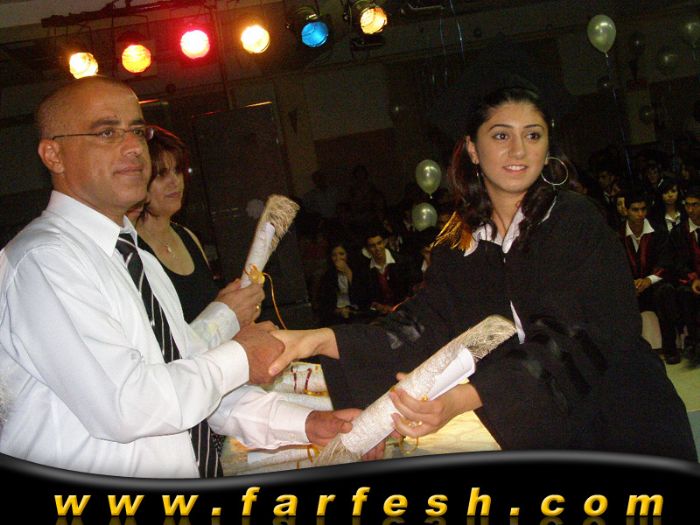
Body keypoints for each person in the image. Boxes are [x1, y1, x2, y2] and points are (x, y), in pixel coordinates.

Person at [266, 83, 697, 460]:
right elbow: (423, 325)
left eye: (533, 135)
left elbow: (577, 333)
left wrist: (467, 397)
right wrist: (321, 339)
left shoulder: (573, 221)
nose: (519, 150)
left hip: (624, 419)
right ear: (472, 148)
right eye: (501, 135)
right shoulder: (463, 245)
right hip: (541, 432)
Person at [0, 76, 365, 478]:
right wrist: (240, 356)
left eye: (137, 131)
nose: (133, 147)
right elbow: (129, 405)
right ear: (53, 155)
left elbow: (187, 378)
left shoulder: (136, 256)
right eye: (107, 132)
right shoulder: (45, 260)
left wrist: (304, 423)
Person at [128, 126, 262, 343]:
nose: (175, 181)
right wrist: (225, 312)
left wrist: (237, 313)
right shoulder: (130, 249)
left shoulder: (186, 236)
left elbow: (212, 320)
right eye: (161, 175)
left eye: (178, 171)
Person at [620, 190, 681, 364]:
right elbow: (612, 264)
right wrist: (628, 284)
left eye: (643, 209)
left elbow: (666, 261)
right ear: (626, 210)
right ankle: (627, 354)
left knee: (666, 291)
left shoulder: (658, 231)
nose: (640, 214)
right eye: (635, 209)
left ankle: (670, 348)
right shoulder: (616, 234)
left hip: (653, 285)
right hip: (628, 287)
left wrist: (648, 280)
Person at [315, 240, 371, 326]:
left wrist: (347, 272)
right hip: (336, 314)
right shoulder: (328, 275)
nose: (338, 258)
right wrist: (338, 311)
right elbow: (325, 301)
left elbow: (363, 296)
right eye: (334, 255)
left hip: (357, 312)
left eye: (341, 254)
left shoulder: (358, 271)